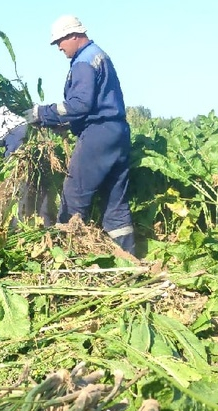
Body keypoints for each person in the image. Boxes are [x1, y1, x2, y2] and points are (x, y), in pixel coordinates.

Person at [24, 15, 135, 254]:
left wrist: (42, 113)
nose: (59, 47)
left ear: (74, 35)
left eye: (60, 41)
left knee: (74, 195)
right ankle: (129, 260)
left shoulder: (83, 62)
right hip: (118, 132)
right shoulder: (99, 55)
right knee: (116, 202)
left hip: (98, 135)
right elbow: (95, 104)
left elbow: (79, 104)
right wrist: (65, 124)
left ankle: (70, 256)